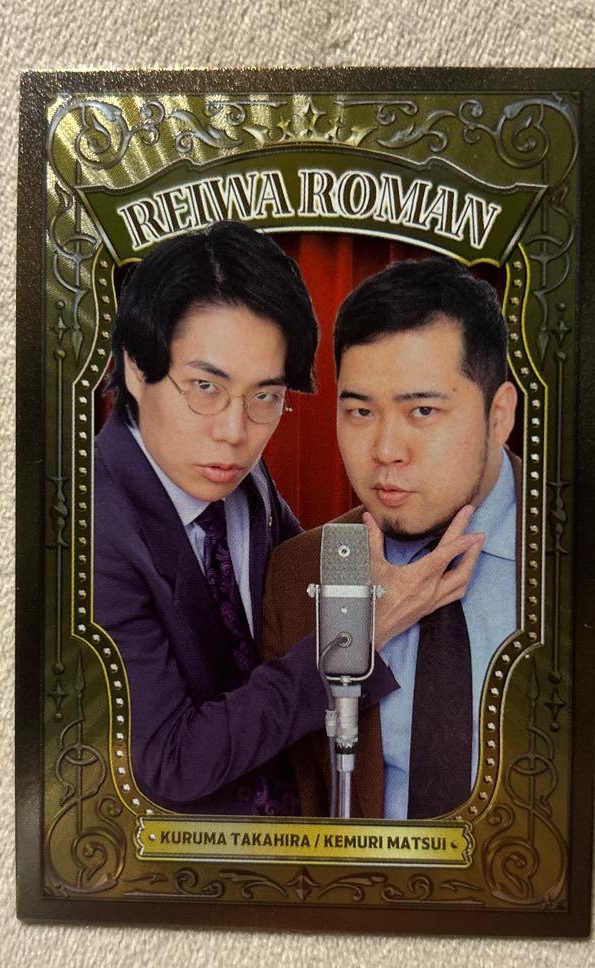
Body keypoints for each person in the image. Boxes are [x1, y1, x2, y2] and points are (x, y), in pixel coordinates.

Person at [94, 223, 480, 816]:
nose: (235, 432)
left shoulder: (237, 475)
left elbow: (294, 590)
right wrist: (357, 635)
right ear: (136, 370)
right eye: (204, 387)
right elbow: (170, 762)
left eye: (265, 396)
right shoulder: (92, 528)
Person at [263, 256, 520, 820]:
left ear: (499, 415)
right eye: (360, 411)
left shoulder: (575, 559)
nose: (385, 450)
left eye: (422, 410)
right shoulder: (299, 573)